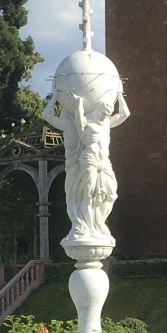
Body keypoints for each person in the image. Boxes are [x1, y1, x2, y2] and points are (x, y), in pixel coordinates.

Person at [42, 88, 130, 242]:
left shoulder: (106, 123)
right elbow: (78, 121)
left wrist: (120, 97)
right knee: (87, 196)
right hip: (89, 160)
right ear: (98, 109)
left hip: (104, 164)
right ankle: (88, 229)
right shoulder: (86, 125)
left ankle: (98, 223)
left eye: (108, 113)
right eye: (104, 112)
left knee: (111, 195)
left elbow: (124, 114)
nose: (106, 115)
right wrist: (75, 104)